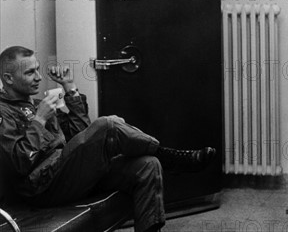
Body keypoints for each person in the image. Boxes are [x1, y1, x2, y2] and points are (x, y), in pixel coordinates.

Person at [0, 46, 216, 232]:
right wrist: (39, 120)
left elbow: (80, 134)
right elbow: (19, 163)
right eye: (30, 72)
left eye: (38, 69)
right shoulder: (4, 113)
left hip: (65, 171)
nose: (38, 76)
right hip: (41, 187)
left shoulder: (36, 103)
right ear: (8, 78)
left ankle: (160, 165)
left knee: (147, 165)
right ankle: (170, 156)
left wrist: (70, 88)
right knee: (107, 125)